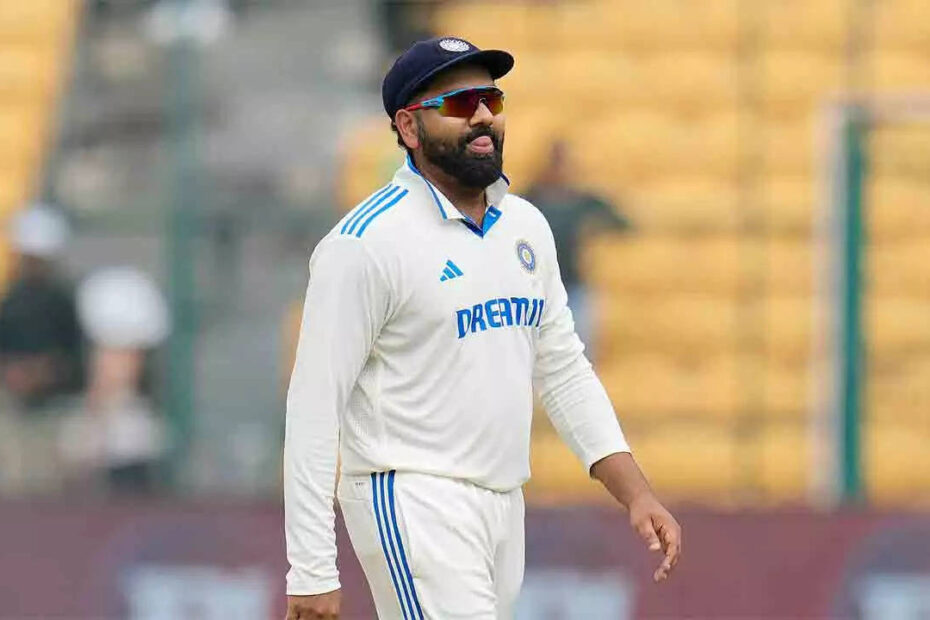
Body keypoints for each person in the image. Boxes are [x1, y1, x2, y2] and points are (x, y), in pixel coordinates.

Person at [284, 37, 681, 620]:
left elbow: (563, 370)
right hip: (412, 497)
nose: (482, 117)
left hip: (502, 503)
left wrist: (636, 492)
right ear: (409, 127)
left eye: (490, 100)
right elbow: (313, 409)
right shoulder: (364, 245)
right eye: (459, 104)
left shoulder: (525, 226)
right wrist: (312, 567)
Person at [524, 142, 632, 358]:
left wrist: (596, 230)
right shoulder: (531, 199)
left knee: (580, 352)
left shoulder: (583, 202)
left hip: (574, 287)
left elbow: (622, 223)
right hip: (537, 290)